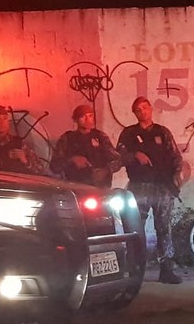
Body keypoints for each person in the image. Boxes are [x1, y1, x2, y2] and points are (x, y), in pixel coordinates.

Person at [117, 96, 184, 284]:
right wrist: (134, 155)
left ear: (150, 109)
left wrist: (176, 177)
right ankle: (136, 269)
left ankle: (166, 269)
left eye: (145, 108)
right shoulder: (129, 134)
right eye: (138, 109)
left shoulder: (162, 133)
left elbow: (175, 156)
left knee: (164, 228)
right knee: (136, 229)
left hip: (161, 186)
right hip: (139, 186)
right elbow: (118, 157)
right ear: (134, 113)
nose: (142, 112)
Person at [50, 104, 122, 187]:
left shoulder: (101, 137)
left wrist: (105, 171)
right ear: (76, 120)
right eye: (83, 117)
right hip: (76, 187)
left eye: (90, 116)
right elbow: (54, 166)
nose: (87, 119)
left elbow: (117, 160)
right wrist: (72, 160)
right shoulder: (67, 138)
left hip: (100, 188)